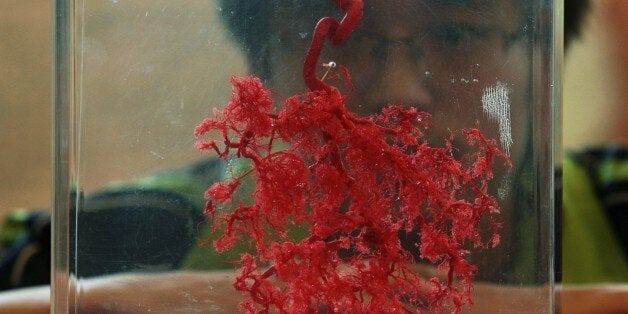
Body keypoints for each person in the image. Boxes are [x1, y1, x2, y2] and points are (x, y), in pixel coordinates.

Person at [0, 0, 626, 312]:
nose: (395, 91)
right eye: (333, 43)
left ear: (545, 59)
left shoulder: (616, 203)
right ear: (260, 66)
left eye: (456, 35)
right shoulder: (92, 237)